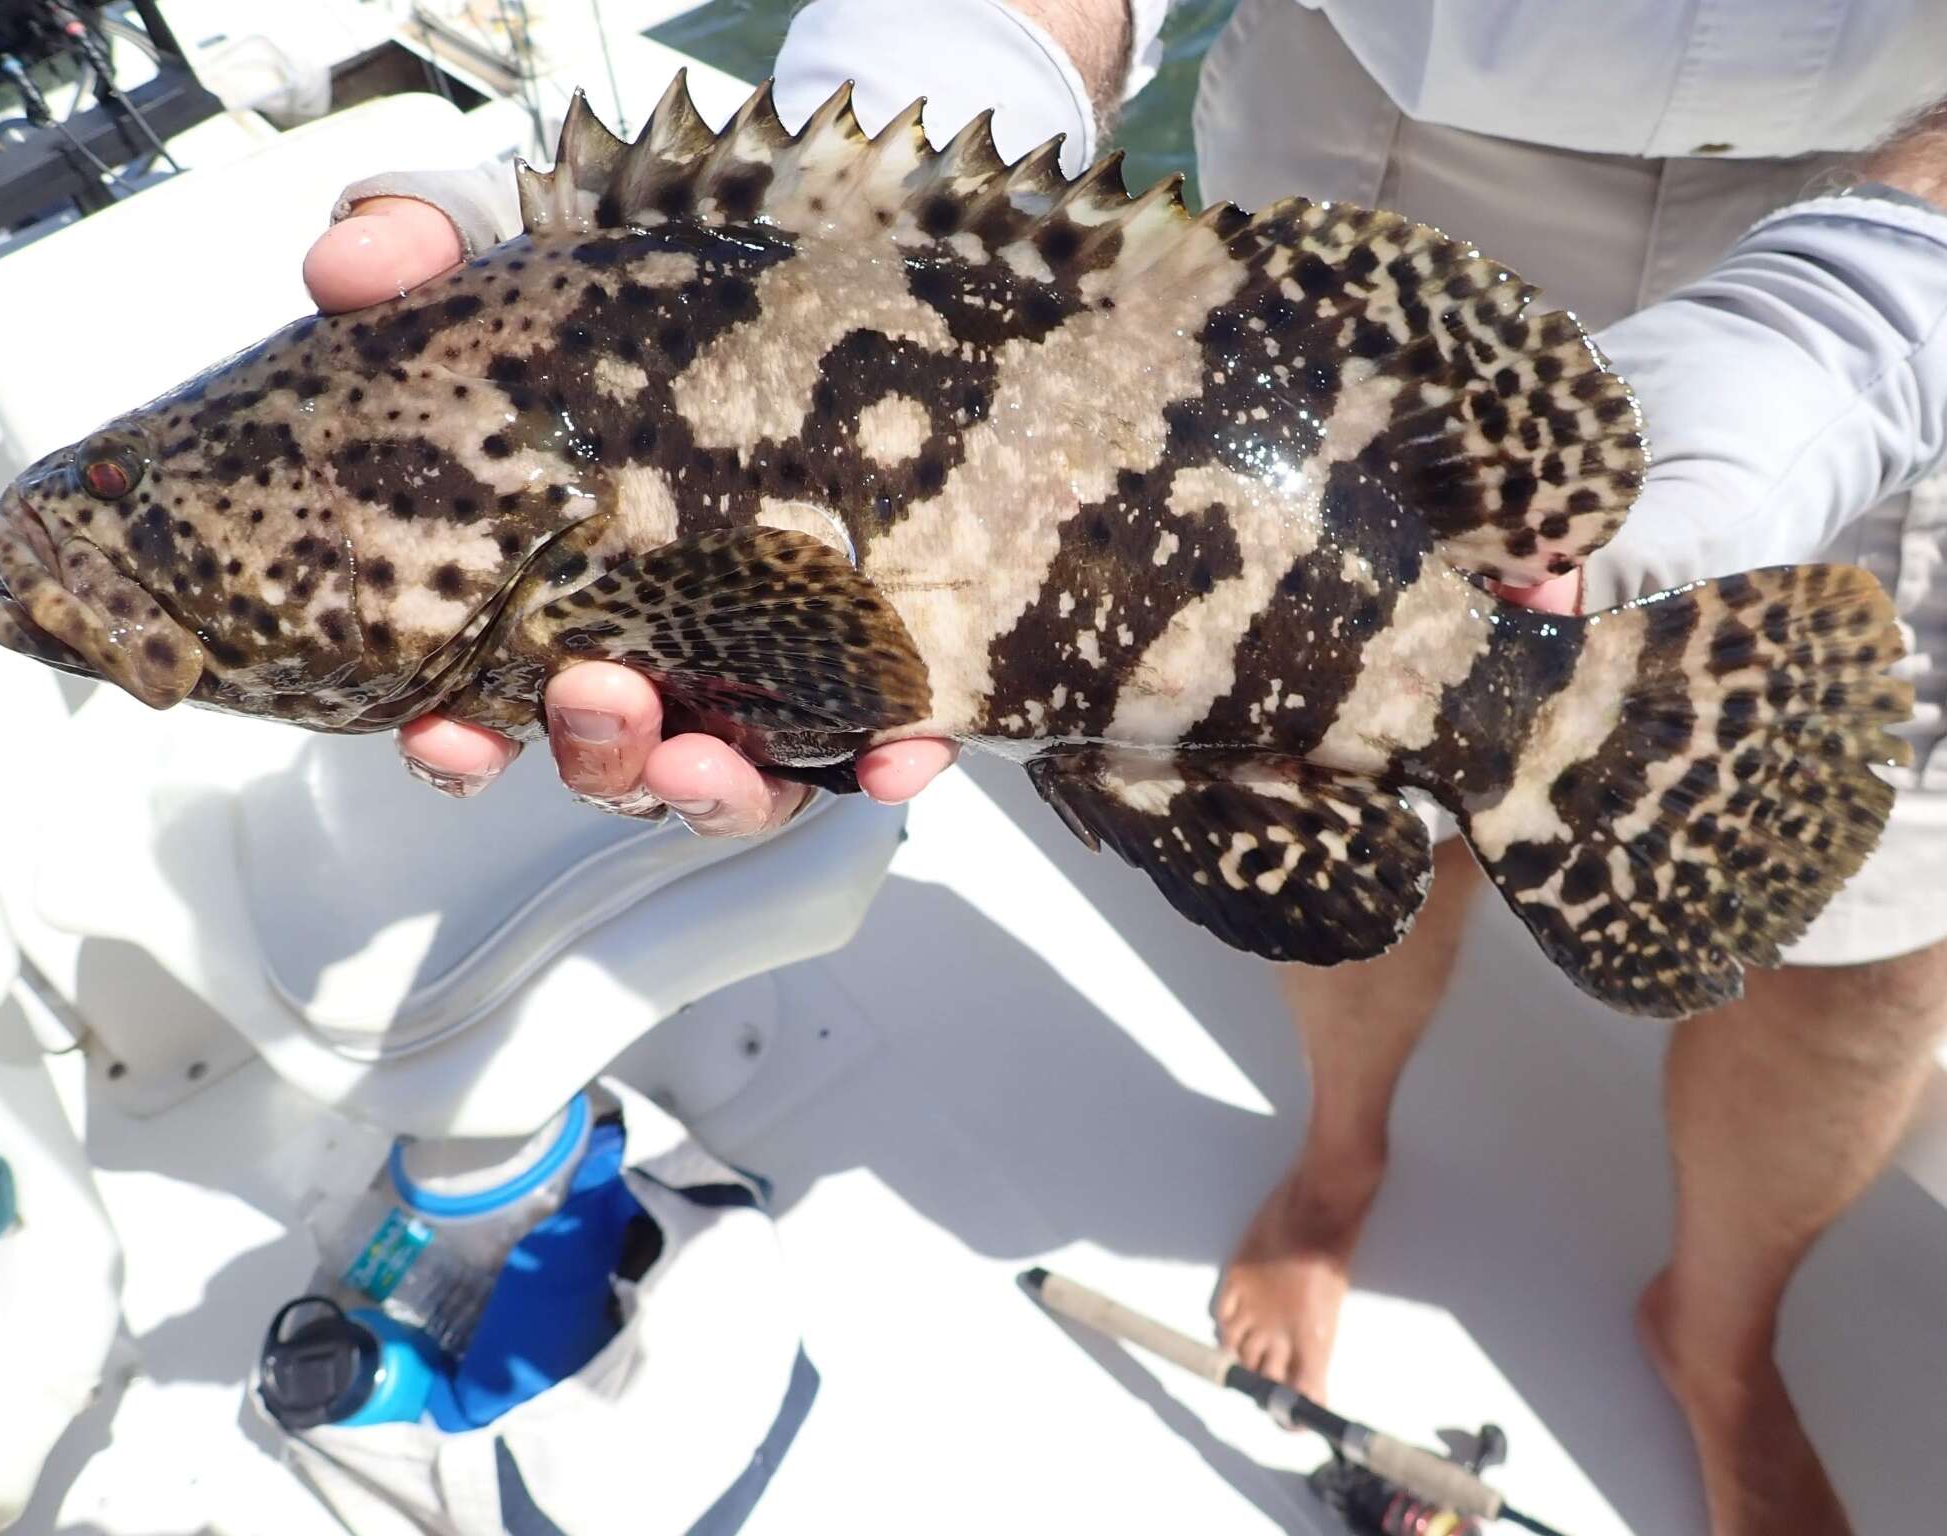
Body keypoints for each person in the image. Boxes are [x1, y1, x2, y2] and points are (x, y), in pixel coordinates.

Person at [303, 4, 1947, 1530]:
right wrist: (873, 139)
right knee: (1343, 764)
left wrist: (1873, 299)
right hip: (1384, 139)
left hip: (1909, 176)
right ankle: (1341, 1157)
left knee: (1874, 952)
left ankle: (1721, 1342)